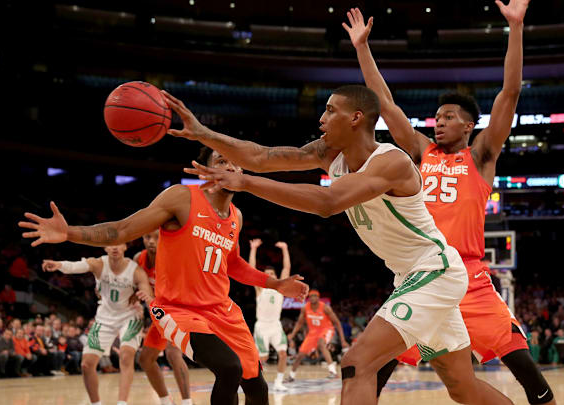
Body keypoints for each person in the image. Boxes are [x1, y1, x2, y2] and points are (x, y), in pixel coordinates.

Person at [165, 82, 514, 404]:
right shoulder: (329, 153)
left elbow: (326, 203)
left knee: (356, 364)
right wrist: (205, 134)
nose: (321, 118)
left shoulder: (391, 162)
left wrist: (246, 184)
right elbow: (261, 157)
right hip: (412, 276)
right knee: (462, 387)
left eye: (331, 111)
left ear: (356, 118)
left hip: (434, 271)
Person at [342, 3, 555, 404]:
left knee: (525, 369)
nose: (437, 121)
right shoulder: (423, 152)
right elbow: (385, 105)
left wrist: (516, 26)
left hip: (471, 277)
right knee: (376, 365)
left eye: (447, 116)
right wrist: (362, 48)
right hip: (423, 271)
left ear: (468, 125)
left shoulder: (481, 155)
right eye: (436, 116)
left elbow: (510, 92)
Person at [20, 148, 309, 405]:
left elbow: (232, 263)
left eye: (236, 163)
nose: (231, 167)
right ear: (205, 171)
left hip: (223, 310)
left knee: (257, 386)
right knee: (229, 368)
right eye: (221, 160)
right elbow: (121, 230)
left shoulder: (236, 216)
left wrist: (274, 283)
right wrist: (70, 233)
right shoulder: (182, 198)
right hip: (179, 309)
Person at [41, 244, 152, 405]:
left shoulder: (135, 270)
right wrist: (59, 265)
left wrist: (144, 295)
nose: (115, 247)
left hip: (130, 316)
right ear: (105, 247)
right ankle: (96, 403)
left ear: (125, 246)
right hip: (104, 318)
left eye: (119, 243)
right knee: (86, 364)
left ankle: (122, 403)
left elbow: (147, 289)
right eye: (111, 244)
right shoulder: (99, 264)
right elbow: (77, 266)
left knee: (126, 355)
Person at [135, 230, 193, 405]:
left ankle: (187, 402)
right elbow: (134, 285)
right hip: (158, 314)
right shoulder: (139, 258)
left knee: (173, 353)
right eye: (147, 237)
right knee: (145, 359)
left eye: (156, 237)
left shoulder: (173, 258)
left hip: (178, 310)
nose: (151, 241)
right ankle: (166, 401)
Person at [249, 239, 292, 391]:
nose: (269, 275)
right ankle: (253, 382)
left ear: (275, 276)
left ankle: (279, 383)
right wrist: (253, 249)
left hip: (275, 325)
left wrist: (285, 248)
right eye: (266, 274)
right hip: (262, 326)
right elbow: (251, 269)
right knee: (263, 358)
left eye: (271, 273)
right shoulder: (259, 288)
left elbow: (286, 268)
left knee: (283, 354)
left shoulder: (280, 287)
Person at [286, 290, 348, 381]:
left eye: (315, 296)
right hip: (312, 333)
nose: (312, 297)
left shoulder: (325, 308)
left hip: (326, 329)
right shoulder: (305, 308)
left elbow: (337, 323)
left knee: (321, 343)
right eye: (311, 296)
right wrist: (293, 333)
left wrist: (343, 340)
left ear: (318, 298)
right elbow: (299, 323)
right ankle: (291, 376)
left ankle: (333, 372)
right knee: (300, 355)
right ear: (308, 298)